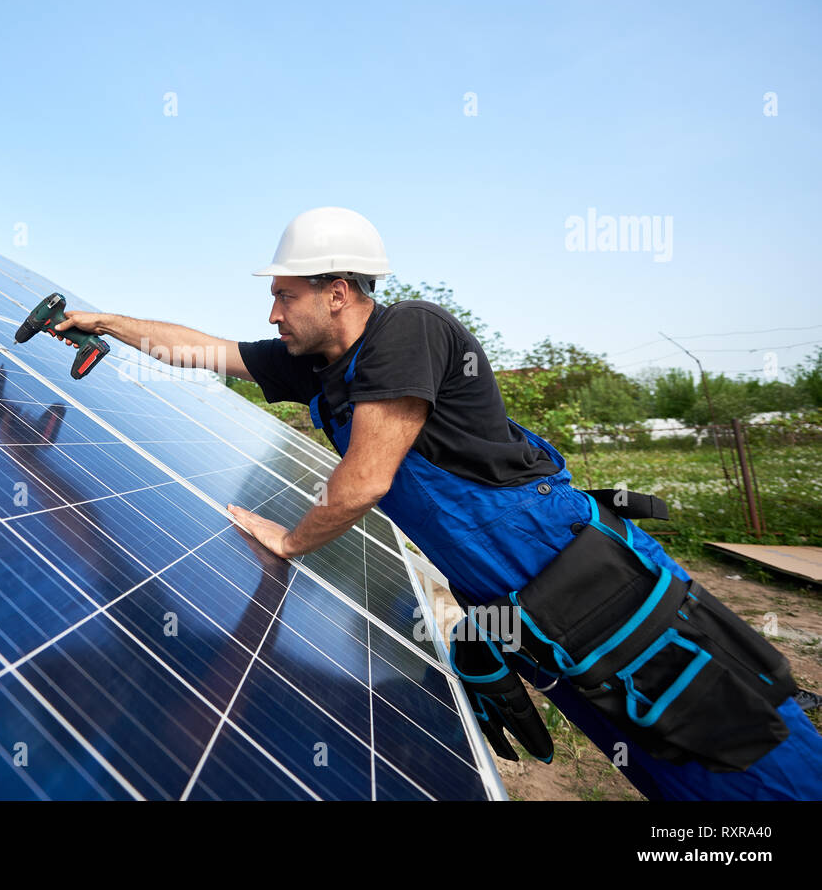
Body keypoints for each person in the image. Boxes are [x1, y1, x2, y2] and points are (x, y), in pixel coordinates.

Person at [53, 206, 822, 800]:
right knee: (658, 764)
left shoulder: (409, 330)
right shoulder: (316, 365)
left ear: (340, 291)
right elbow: (203, 349)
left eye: (284, 295)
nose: (272, 313)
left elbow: (365, 480)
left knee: (730, 744)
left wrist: (289, 542)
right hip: (526, 609)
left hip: (600, 595)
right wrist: (105, 321)